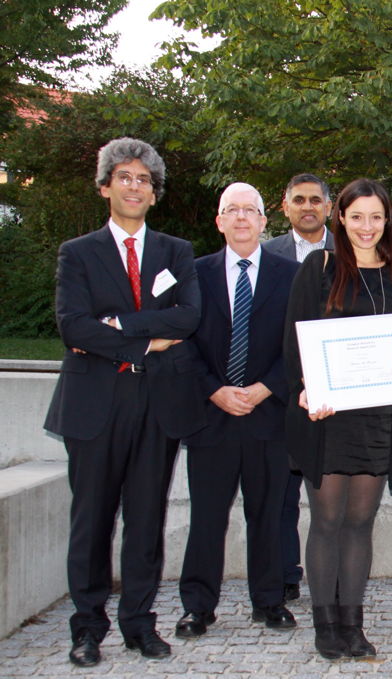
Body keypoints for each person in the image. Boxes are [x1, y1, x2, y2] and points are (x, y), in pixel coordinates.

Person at [44, 137, 203, 666]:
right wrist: (148, 340)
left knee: (145, 519)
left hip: (156, 405)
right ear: (105, 186)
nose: (134, 186)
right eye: (125, 177)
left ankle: (139, 624)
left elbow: (188, 317)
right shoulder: (78, 252)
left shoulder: (175, 252)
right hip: (94, 406)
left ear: (154, 194)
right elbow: (73, 326)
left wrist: (119, 327)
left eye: (144, 180)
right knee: (91, 522)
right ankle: (87, 629)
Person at [284, 178, 392, 659]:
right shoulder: (319, 266)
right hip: (326, 415)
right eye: (357, 216)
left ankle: (353, 623)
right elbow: (294, 341)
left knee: (361, 521)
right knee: (327, 519)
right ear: (340, 218)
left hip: (377, 420)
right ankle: (325, 625)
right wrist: (305, 391)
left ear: (388, 221)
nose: (367, 227)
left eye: (376, 217)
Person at [174, 183, 300, 640]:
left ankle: (268, 603)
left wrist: (267, 388)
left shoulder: (291, 274)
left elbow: (301, 342)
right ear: (219, 220)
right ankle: (197, 607)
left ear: (266, 221)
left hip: (269, 417)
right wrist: (214, 391)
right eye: (233, 210)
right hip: (212, 417)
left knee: (267, 515)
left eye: (251, 210)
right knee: (207, 517)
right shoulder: (194, 274)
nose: (242, 218)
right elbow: (182, 344)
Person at [264, 172, 336, 601]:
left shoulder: (349, 251)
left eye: (315, 200)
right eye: (299, 200)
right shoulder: (266, 253)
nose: (307, 206)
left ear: (329, 207)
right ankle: (286, 573)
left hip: (336, 388)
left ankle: (332, 576)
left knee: (331, 491)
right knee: (283, 489)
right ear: (285, 206)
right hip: (282, 384)